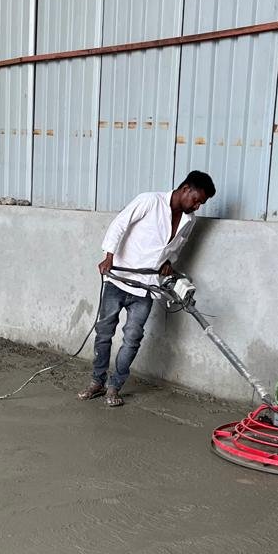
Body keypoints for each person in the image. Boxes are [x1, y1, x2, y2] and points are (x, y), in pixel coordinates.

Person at [78, 171, 216, 407]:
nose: (197, 206)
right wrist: (109, 256)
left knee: (132, 338)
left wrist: (168, 262)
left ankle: (114, 386)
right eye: (196, 200)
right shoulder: (150, 201)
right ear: (185, 189)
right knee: (104, 333)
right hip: (119, 279)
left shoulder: (189, 220)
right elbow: (120, 224)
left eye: (201, 203)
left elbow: (177, 247)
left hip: (147, 287)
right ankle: (97, 382)